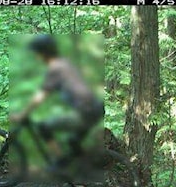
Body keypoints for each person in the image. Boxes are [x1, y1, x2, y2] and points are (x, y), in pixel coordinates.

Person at [10, 34, 105, 171]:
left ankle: (61, 162)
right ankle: (85, 169)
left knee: (44, 127)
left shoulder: (55, 68)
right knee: (73, 143)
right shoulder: (64, 63)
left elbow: (40, 97)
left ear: (43, 53)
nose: (36, 56)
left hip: (86, 113)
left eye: (37, 53)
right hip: (95, 109)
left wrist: (22, 114)